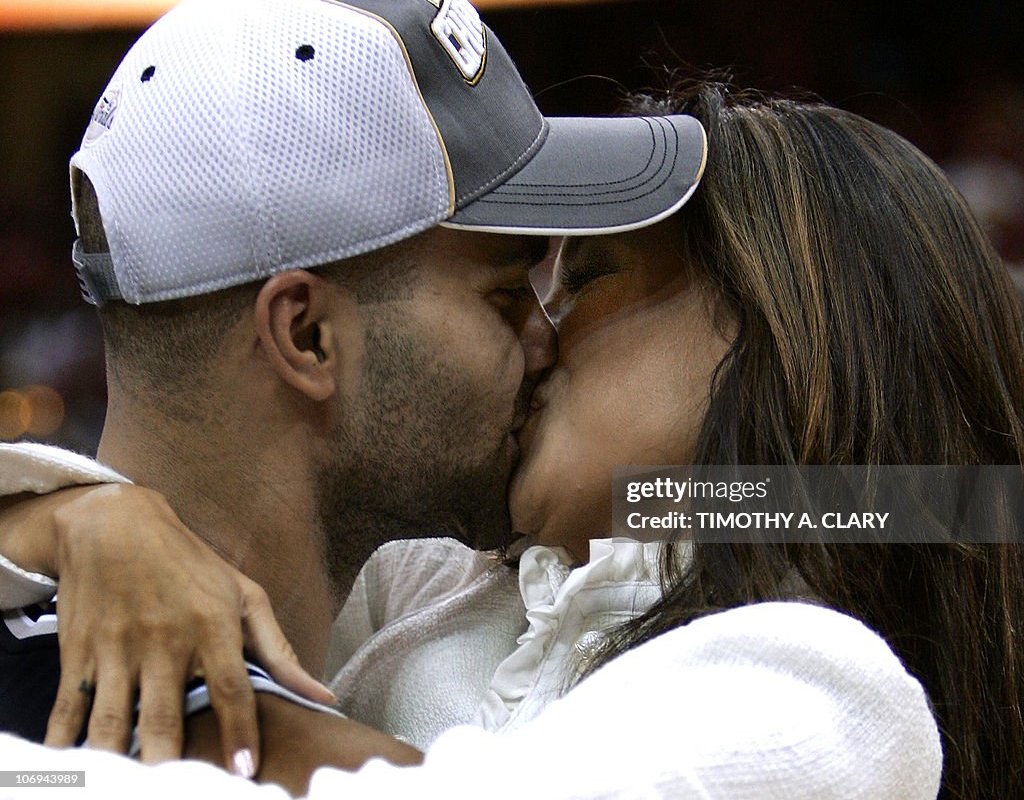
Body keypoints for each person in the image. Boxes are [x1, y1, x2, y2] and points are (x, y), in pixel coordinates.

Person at [10, 80, 1017, 797]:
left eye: (584, 282)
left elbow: (927, 497)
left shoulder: (827, 693)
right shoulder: (462, 572)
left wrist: (193, 717)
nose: (534, 335)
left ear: (781, 337)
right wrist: (80, 512)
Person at [0, 0, 711, 794]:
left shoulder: (386, 596)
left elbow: (884, 503)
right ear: (307, 336)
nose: (544, 339)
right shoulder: (125, 760)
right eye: (506, 292)